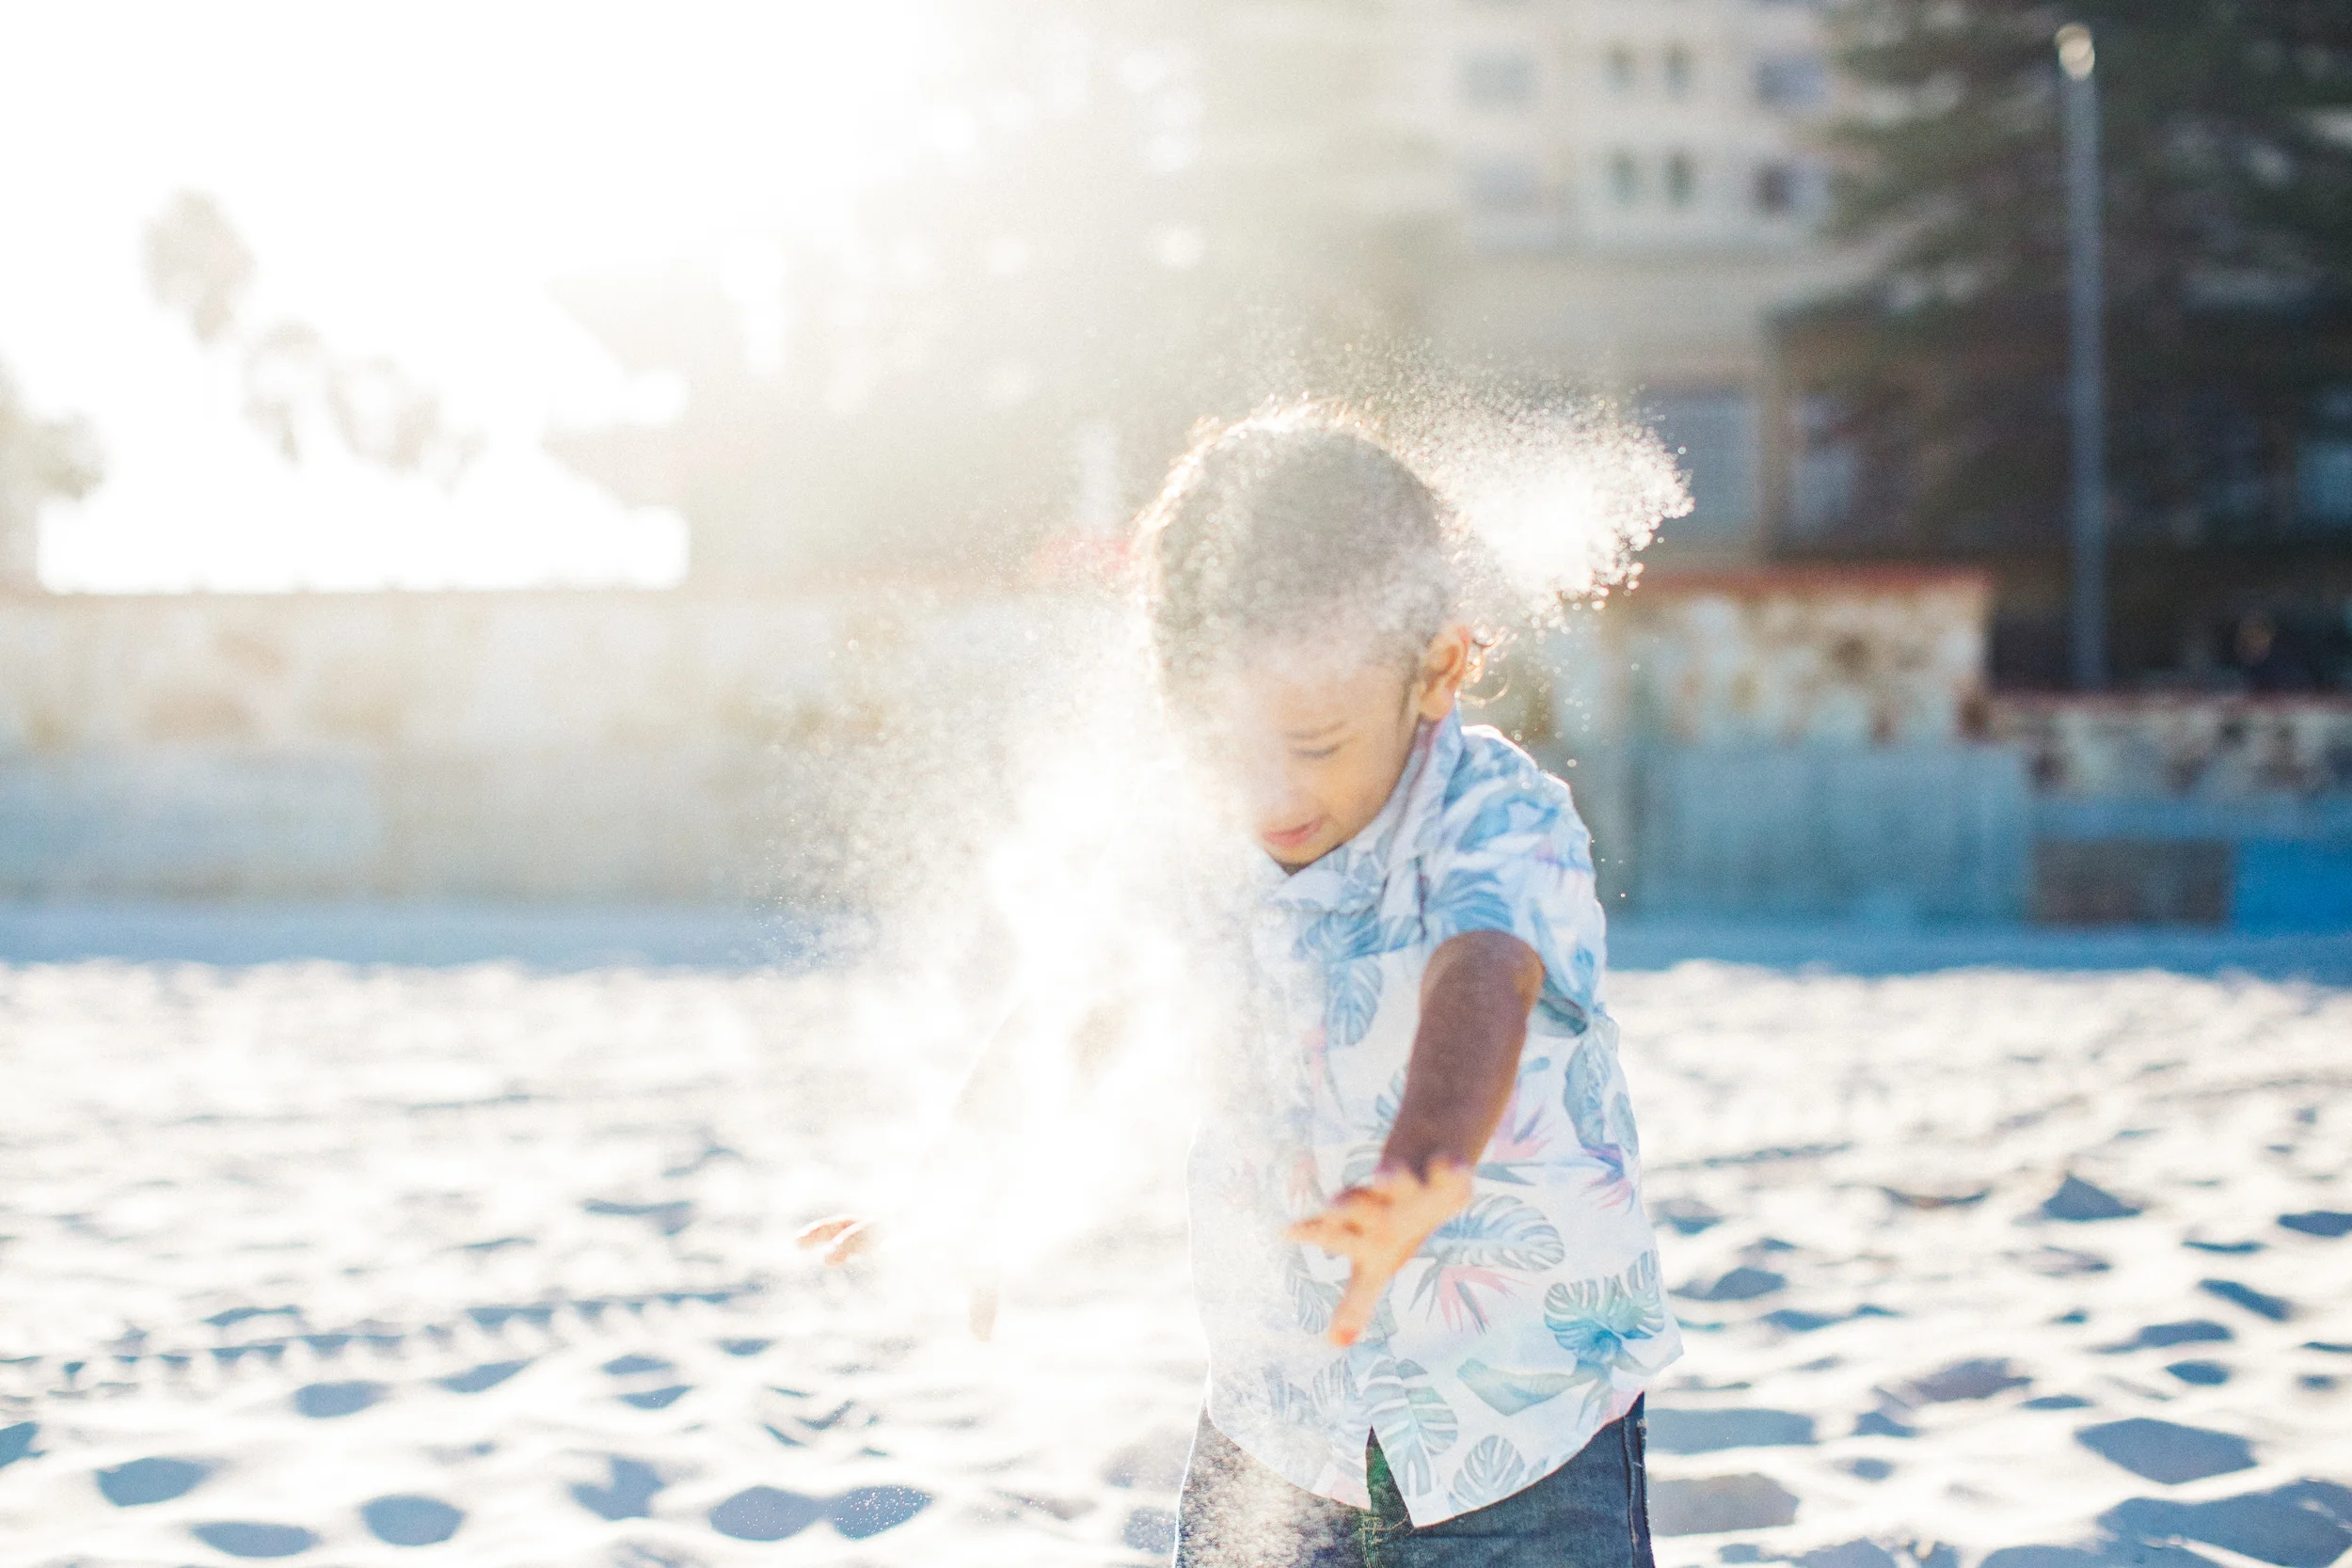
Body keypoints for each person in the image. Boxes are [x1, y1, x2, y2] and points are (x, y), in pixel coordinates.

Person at [804, 409, 1680, 1565]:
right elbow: (1077, 1011)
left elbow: (1485, 976)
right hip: (1281, 1426)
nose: (1267, 785)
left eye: (1314, 741)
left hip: (1522, 1437)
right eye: (1224, 738)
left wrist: (1423, 1168)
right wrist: (962, 1187)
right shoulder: (1189, 850)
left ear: (1439, 669)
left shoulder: (1496, 822)